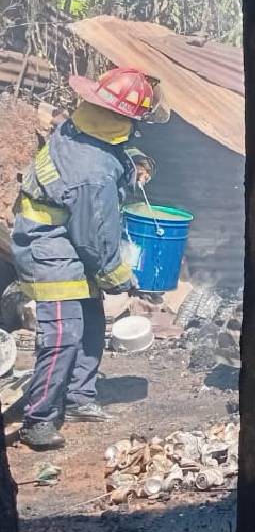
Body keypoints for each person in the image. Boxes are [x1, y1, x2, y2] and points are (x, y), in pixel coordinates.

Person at [12, 67, 165, 450]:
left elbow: (115, 149)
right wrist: (123, 280)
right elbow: (96, 241)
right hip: (48, 246)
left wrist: (136, 164)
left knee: (92, 319)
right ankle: (38, 418)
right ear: (124, 117)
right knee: (64, 334)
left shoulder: (82, 124)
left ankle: (79, 396)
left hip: (69, 236)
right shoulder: (92, 174)